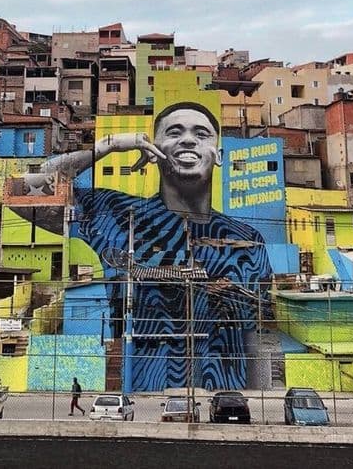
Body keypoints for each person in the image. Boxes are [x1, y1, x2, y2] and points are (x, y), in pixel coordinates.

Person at [40, 101, 272, 391]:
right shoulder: (113, 213)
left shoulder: (248, 241)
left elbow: (253, 335)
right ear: (153, 152)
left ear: (219, 155)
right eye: (174, 132)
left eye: (201, 134)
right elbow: (34, 185)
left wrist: (252, 400)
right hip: (140, 394)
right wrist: (110, 145)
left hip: (224, 393)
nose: (188, 140)